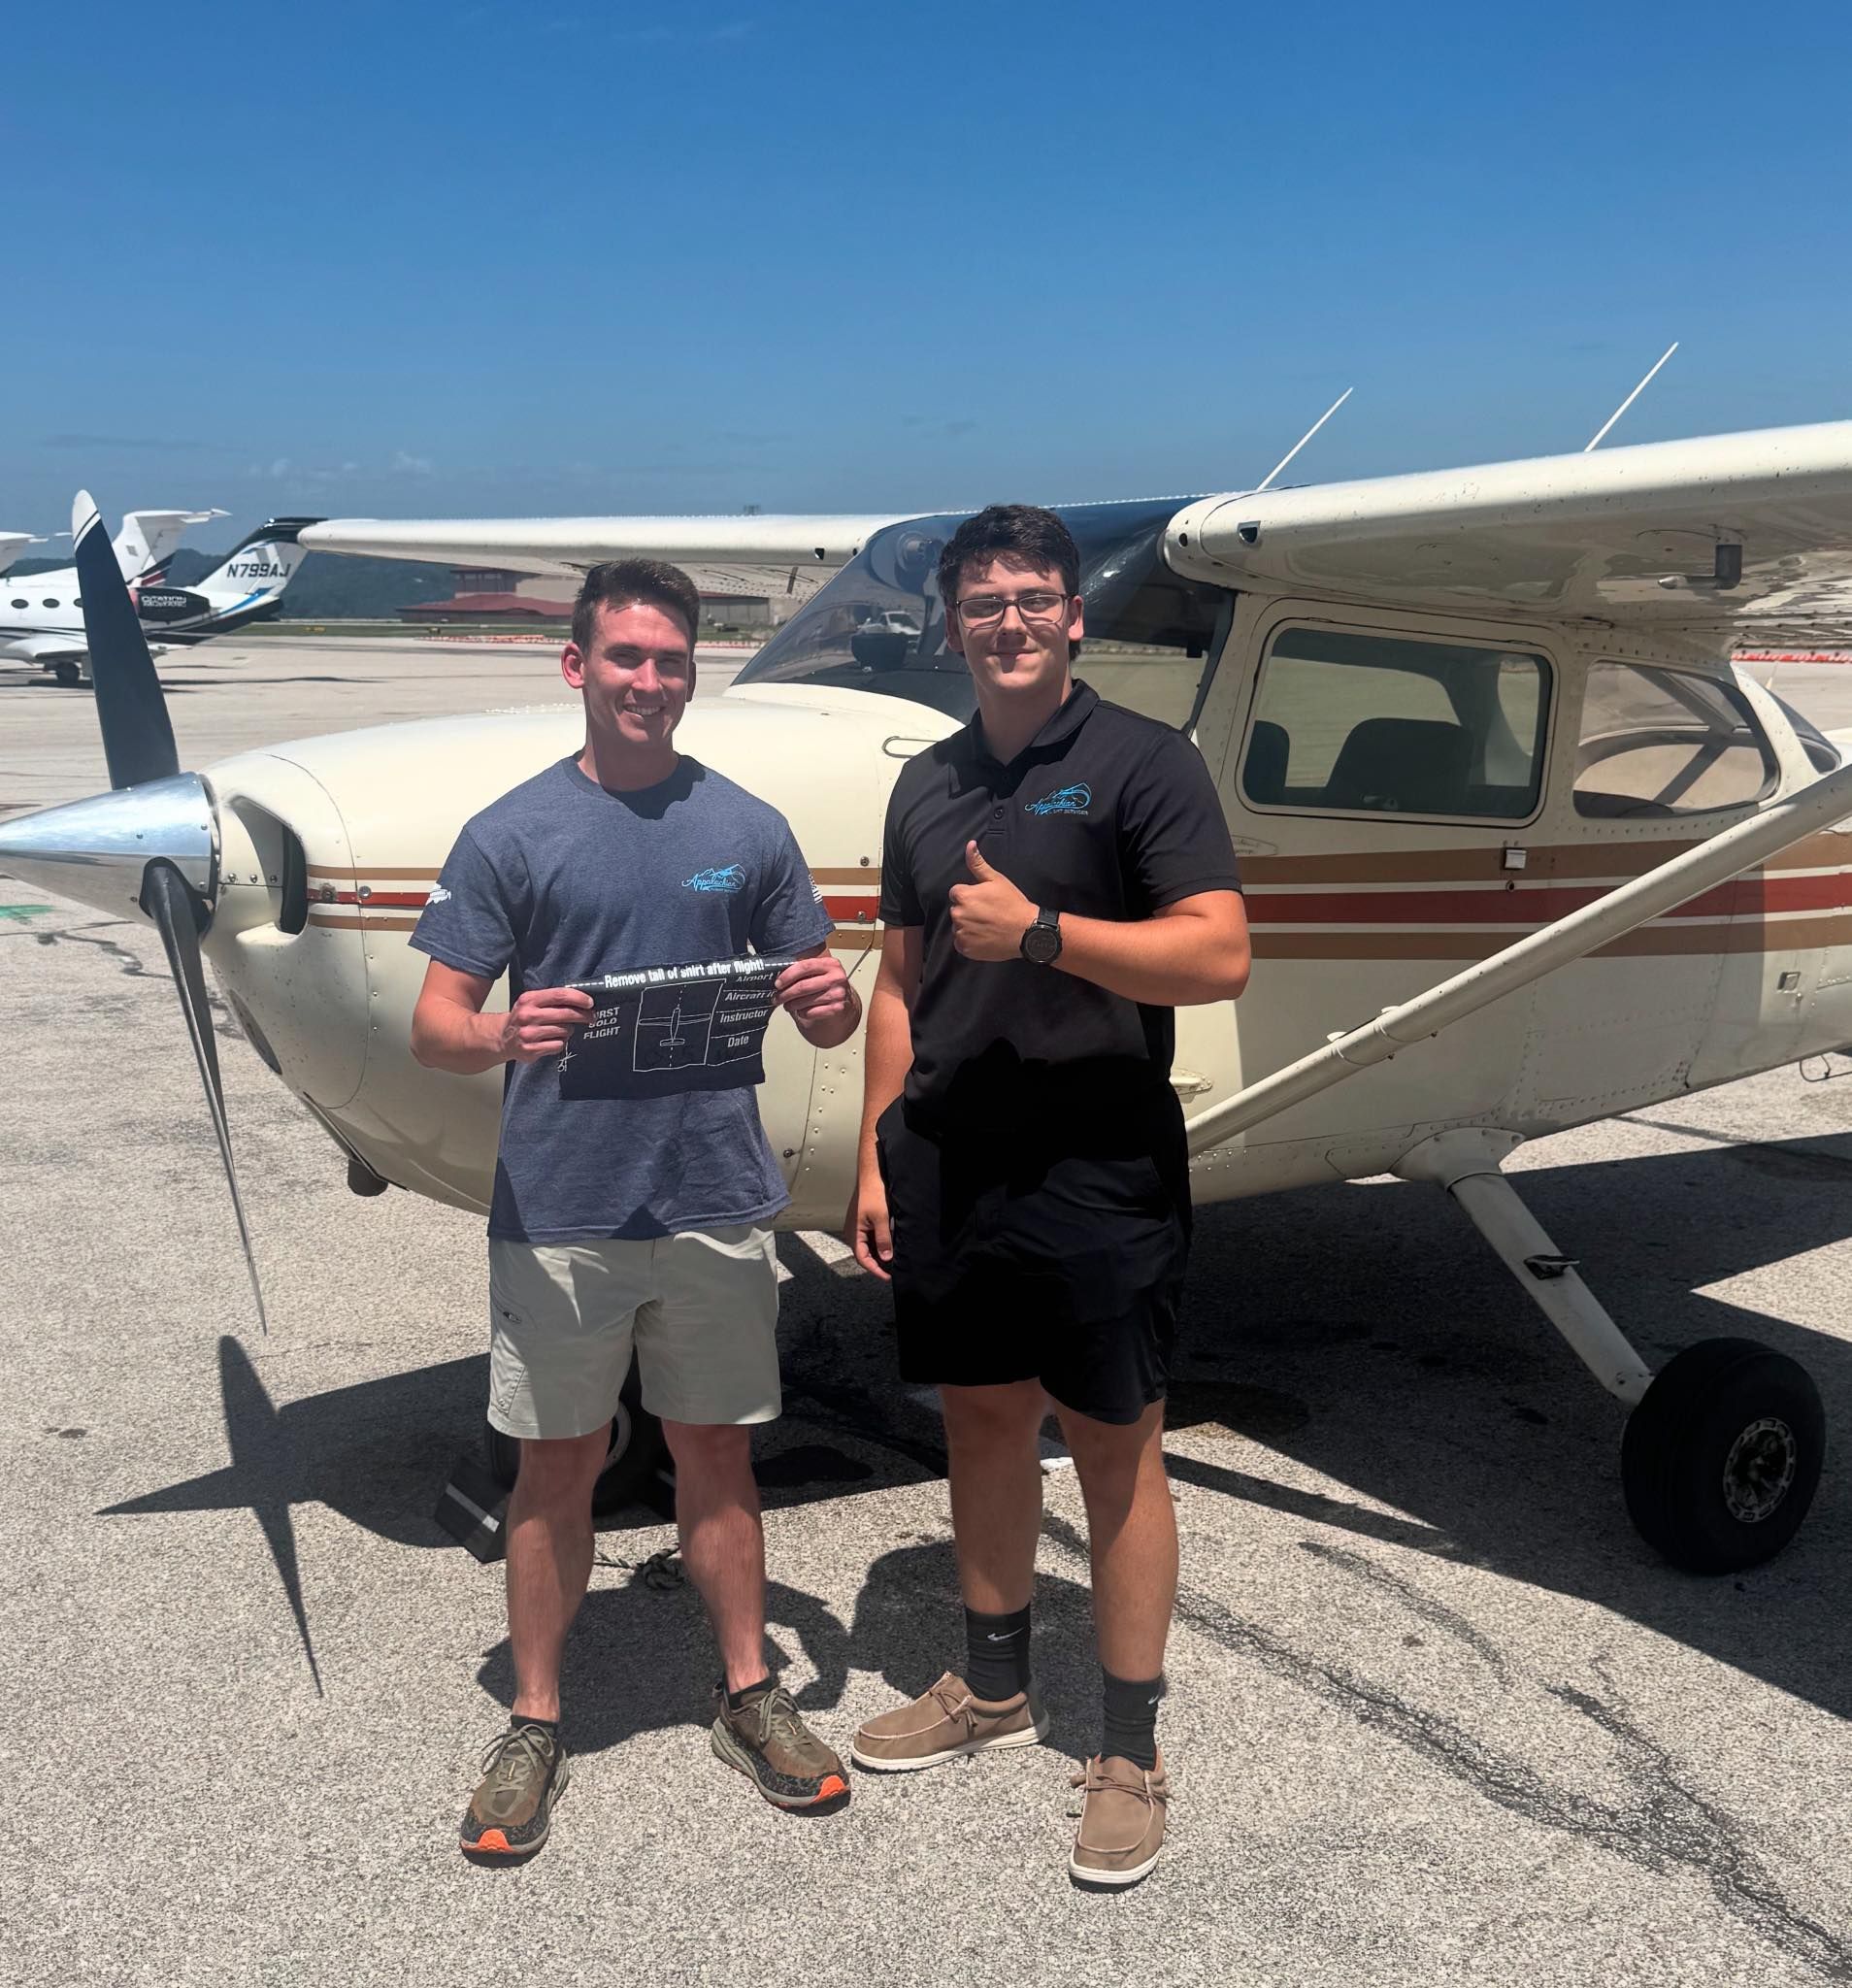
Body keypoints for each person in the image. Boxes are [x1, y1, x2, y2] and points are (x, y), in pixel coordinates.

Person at [411, 557, 861, 1858]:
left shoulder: (750, 828)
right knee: (557, 1468)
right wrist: (498, 1034)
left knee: (718, 1455)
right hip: (562, 1206)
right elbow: (436, 1024)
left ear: (692, 673)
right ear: (577, 667)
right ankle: (536, 1722)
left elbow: (814, 985)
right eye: (625, 658)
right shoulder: (511, 833)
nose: (649, 682)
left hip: (715, 1199)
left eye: (671, 661)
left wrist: (825, 1008)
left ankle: (746, 1692)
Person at [844, 505, 1248, 1887]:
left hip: (1098, 1159)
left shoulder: (1145, 763)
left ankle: (1130, 1750)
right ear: (949, 622)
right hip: (954, 1160)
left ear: (1074, 616)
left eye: (1033, 599)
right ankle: (993, 1687)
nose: (1008, 621)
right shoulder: (928, 783)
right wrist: (874, 1152)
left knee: (1119, 1445)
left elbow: (1218, 957)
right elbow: (900, 983)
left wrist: (1047, 936)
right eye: (982, 601)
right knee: (981, 1421)